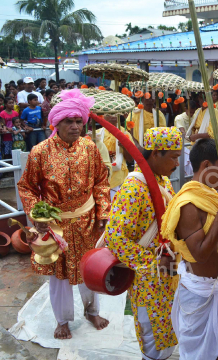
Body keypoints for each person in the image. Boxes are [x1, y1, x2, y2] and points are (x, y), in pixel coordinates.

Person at [17, 89, 111, 340]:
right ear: (56, 123)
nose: (75, 126)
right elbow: (26, 187)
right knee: (60, 275)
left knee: (88, 268)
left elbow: (101, 182)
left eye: (79, 121)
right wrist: (38, 215)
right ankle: (62, 320)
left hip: (87, 220)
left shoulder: (90, 148)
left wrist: (103, 212)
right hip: (56, 224)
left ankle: (92, 311)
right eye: (69, 121)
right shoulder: (40, 151)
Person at [104, 127, 183, 359]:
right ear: (156, 154)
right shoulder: (133, 189)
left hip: (168, 269)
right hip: (148, 274)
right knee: (152, 327)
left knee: (169, 321)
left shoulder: (164, 182)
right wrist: (152, 261)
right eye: (174, 157)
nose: (177, 164)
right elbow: (115, 238)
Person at [160, 138, 218, 360]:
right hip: (200, 292)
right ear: (205, 166)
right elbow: (200, 254)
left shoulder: (210, 196)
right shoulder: (189, 204)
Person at [97, 114, 135, 200]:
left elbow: (130, 159)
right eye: (109, 113)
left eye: (115, 113)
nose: (112, 115)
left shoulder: (125, 134)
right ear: (103, 116)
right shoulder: (97, 134)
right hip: (101, 178)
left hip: (119, 178)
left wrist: (124, 147)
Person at [174, 100, 197, 177]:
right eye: (190, 112)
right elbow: (182, 131)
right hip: (183, 148)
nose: (191, 114)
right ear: (185, 109)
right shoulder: (179, 118)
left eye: (193, 112)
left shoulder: (195, 117)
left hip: (193, 148)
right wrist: (189, 137)